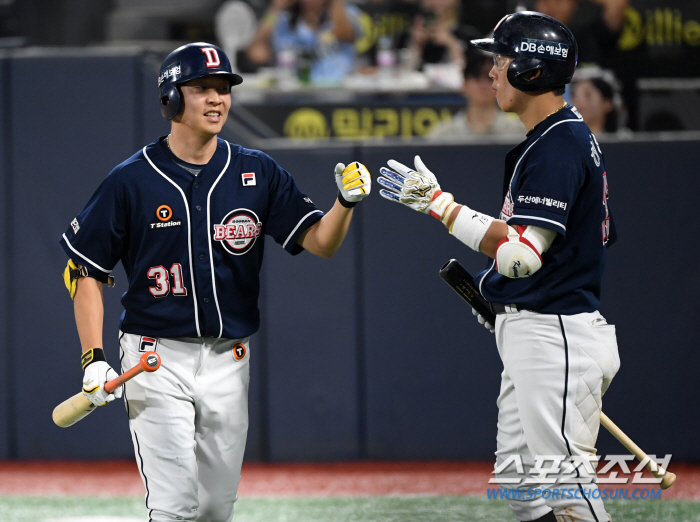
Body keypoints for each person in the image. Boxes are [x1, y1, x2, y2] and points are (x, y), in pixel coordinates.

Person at [59, 42, 370, 522]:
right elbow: (85, 271)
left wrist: (344, 204)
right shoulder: (130, 180)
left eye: (223, 88)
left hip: (231, 358)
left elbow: (321, 242)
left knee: (215, 510)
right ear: (171, 98)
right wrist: (93, 358)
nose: (216, 98)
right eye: (202, 88)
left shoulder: (256, 170)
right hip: (153, 359)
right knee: (175, 506)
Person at [377, 12, 619, 522]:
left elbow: (518, 255)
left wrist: (440, 206)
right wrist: (511, 306)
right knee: (520, 486)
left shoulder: (559, 144)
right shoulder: (558, 137)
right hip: (542, 326)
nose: (491, 72)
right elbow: (581, 242)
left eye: (501, 60)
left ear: (532, 70)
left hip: (557, 337)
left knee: (567, 490)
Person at [246, 0, 363, 84]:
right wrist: (276, 8)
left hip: (337, 93)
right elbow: (257, 55)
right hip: (294, 95)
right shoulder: (283, 19)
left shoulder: (345, 13)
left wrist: (334, 3)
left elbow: (345, 34)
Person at [428, 47, 524, 137]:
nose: (483, 83)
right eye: (475, 75)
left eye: (490, 77)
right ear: (464, 84)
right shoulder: (443, 135)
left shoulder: (519, 135)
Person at [570, 66, 629, 135]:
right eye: (574, 96)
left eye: (587, 95)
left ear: (607, 104)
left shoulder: (623, 140)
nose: (578, 102)